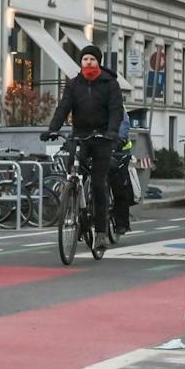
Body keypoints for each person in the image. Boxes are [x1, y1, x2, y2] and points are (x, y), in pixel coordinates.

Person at [42, 44, 124, 235]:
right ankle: (77, 210)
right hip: (79, 135)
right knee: (74, 172)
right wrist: (52, 129)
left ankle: (101, 231)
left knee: (97, 183)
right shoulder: (73, 84)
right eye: (85, 59)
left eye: (92, 59)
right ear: (81, 62)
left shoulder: (110, 84)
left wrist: (112, 131)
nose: (88, 62)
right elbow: (63, 108)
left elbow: (115, 110)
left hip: (102, 137)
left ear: (98, 62)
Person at [108, 113, 138, 236]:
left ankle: (121, 223)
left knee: (119, 185)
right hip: (100, 147)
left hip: (119, 150)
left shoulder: (117, 104)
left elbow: (123, 124)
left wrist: (119, 139)